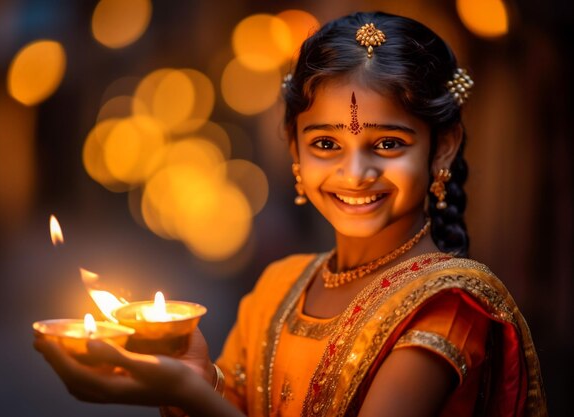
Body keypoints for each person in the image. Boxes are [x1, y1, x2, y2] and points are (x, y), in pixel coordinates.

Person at [34, 10, 548, 417]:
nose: (355, 173)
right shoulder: (276, 289)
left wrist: (189, 393)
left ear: (441, 148)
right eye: (325, 143)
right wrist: (194, 377)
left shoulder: (447, 307)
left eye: (387, 143)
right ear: (294, 150)